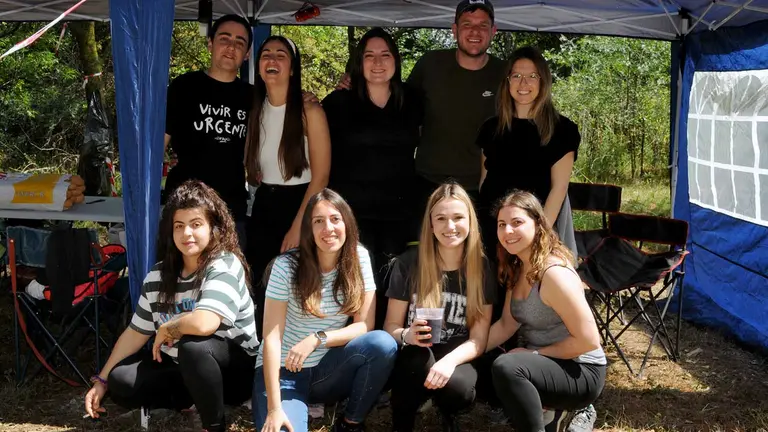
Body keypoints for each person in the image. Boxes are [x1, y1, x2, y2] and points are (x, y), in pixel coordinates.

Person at [83, 181, 258, 432]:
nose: (187, 233)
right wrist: (101, 380)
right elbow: (135, 333)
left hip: (234, 372)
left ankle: (214, 425)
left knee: (193, 346)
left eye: (196, 224)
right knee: (120, 380)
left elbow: (205, 323)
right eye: (179, 226)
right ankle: (192, 401)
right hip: (182, 367)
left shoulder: (224, 264)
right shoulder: (158, 276)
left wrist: (169, 328)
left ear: (213, 228)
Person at [331, 0, 505, 205]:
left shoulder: (506, 73)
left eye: (482, 25)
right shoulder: (430, 64)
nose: (475, 31)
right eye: (467, 24)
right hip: (426, 184)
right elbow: (396, 99)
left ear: (493, 31)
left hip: (481, 187)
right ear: (454, 29)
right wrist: (356, 81)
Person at [253, 188, 397, 432]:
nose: (328, 228)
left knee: (382, 343)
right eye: (318, 221)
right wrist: (275, 408)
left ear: (347, 223)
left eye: (335, 219)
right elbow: (272, 339)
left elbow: (364, 325)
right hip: (284, 373)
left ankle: (351, 422)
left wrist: (316, 339)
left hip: (328, 370)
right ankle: (287, 406)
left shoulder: (359, 257)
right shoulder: (285, 267)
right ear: (308, 230)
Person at [323, 27, 423, 328]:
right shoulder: (338, 103)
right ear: (359, 62)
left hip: (399, 213)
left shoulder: (414, 101)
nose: (377, 62)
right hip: (352, 214)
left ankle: (389, 348)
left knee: (393, 285)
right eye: (369, 56)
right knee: (354, 286)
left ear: (396, 60)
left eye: (385, 55)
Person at [486, 191, 606, 432]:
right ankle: (551, 413)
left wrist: (536, 355)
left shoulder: (554, 275)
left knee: (507, 366)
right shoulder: (517, 266)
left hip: (581, 369)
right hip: (544, 362)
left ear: (538, 224)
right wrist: (463, 350)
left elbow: (589, 340)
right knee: (482, 360)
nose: (508, 231)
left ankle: (559, 412)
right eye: (502, 224)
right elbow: (506, 325)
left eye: (517, 222)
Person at [384, 183, 496, 432]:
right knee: (416, 360)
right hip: (415, 352)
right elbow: (390, 325)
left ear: (470, 221)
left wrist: (449, 362)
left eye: (458, 217)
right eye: (441, 218)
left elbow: (479, 339)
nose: (450, 226)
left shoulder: (481, 268)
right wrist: (406, 335)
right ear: (430, 224)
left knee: (461, 390)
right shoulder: (408, 263)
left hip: (457, 353)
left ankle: (445, 410)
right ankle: (402, 422)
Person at [244, 35, 331, 338]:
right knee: (261, 286)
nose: (272, 60)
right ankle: (261, 358)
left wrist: (298, 226)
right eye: (266, 54)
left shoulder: (310, 111)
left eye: (281, 55)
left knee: (297, 287)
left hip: (301, 204)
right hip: (264, 204)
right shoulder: (253, 109)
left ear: (293, 68)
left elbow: (321, 176)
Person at [476, 46, 580, 256]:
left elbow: (558, 190)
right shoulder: (491, 128)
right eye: (517, 76)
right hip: (492, 230)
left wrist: (540, 238)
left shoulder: (562, 130)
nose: (524, 83)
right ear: (507, 81)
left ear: (543, 81)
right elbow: (484, 181)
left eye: (533, 76)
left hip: (534, 233)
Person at [163, 14, 253, 248]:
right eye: (225, 39)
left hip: (230, 208)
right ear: (210, 43)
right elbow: (158, 144)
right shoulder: (184, 87)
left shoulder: (253, 96)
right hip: (184, 207)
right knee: (180, 281)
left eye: (240, 42)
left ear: (247, 54)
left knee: (229, 280)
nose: (231, 47)